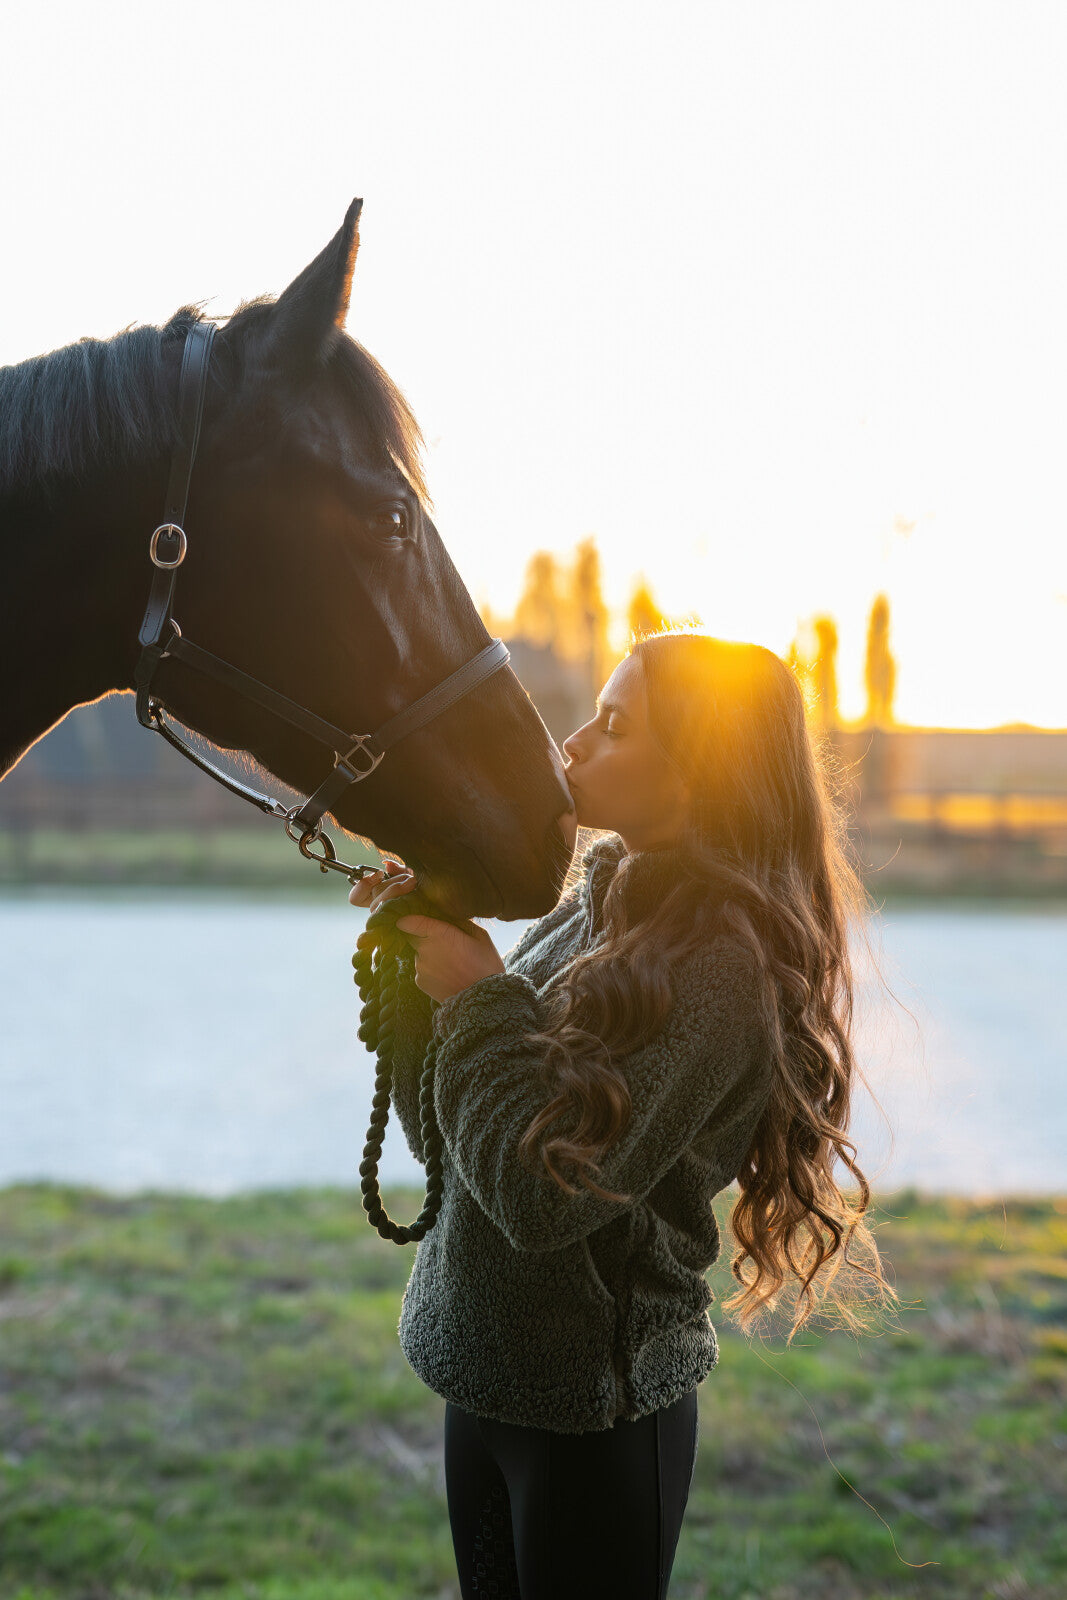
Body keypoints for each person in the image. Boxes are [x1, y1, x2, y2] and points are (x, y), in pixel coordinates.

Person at [349, 627, 897, 1600]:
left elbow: (539, 1196)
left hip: (594, 1422)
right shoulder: (593, 908)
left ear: (699, 771)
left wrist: (478, 994)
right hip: (482, 1386)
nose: (571, 744)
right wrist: (421, 974)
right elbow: (461, 1147)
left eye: (613, 725)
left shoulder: (721, 970)